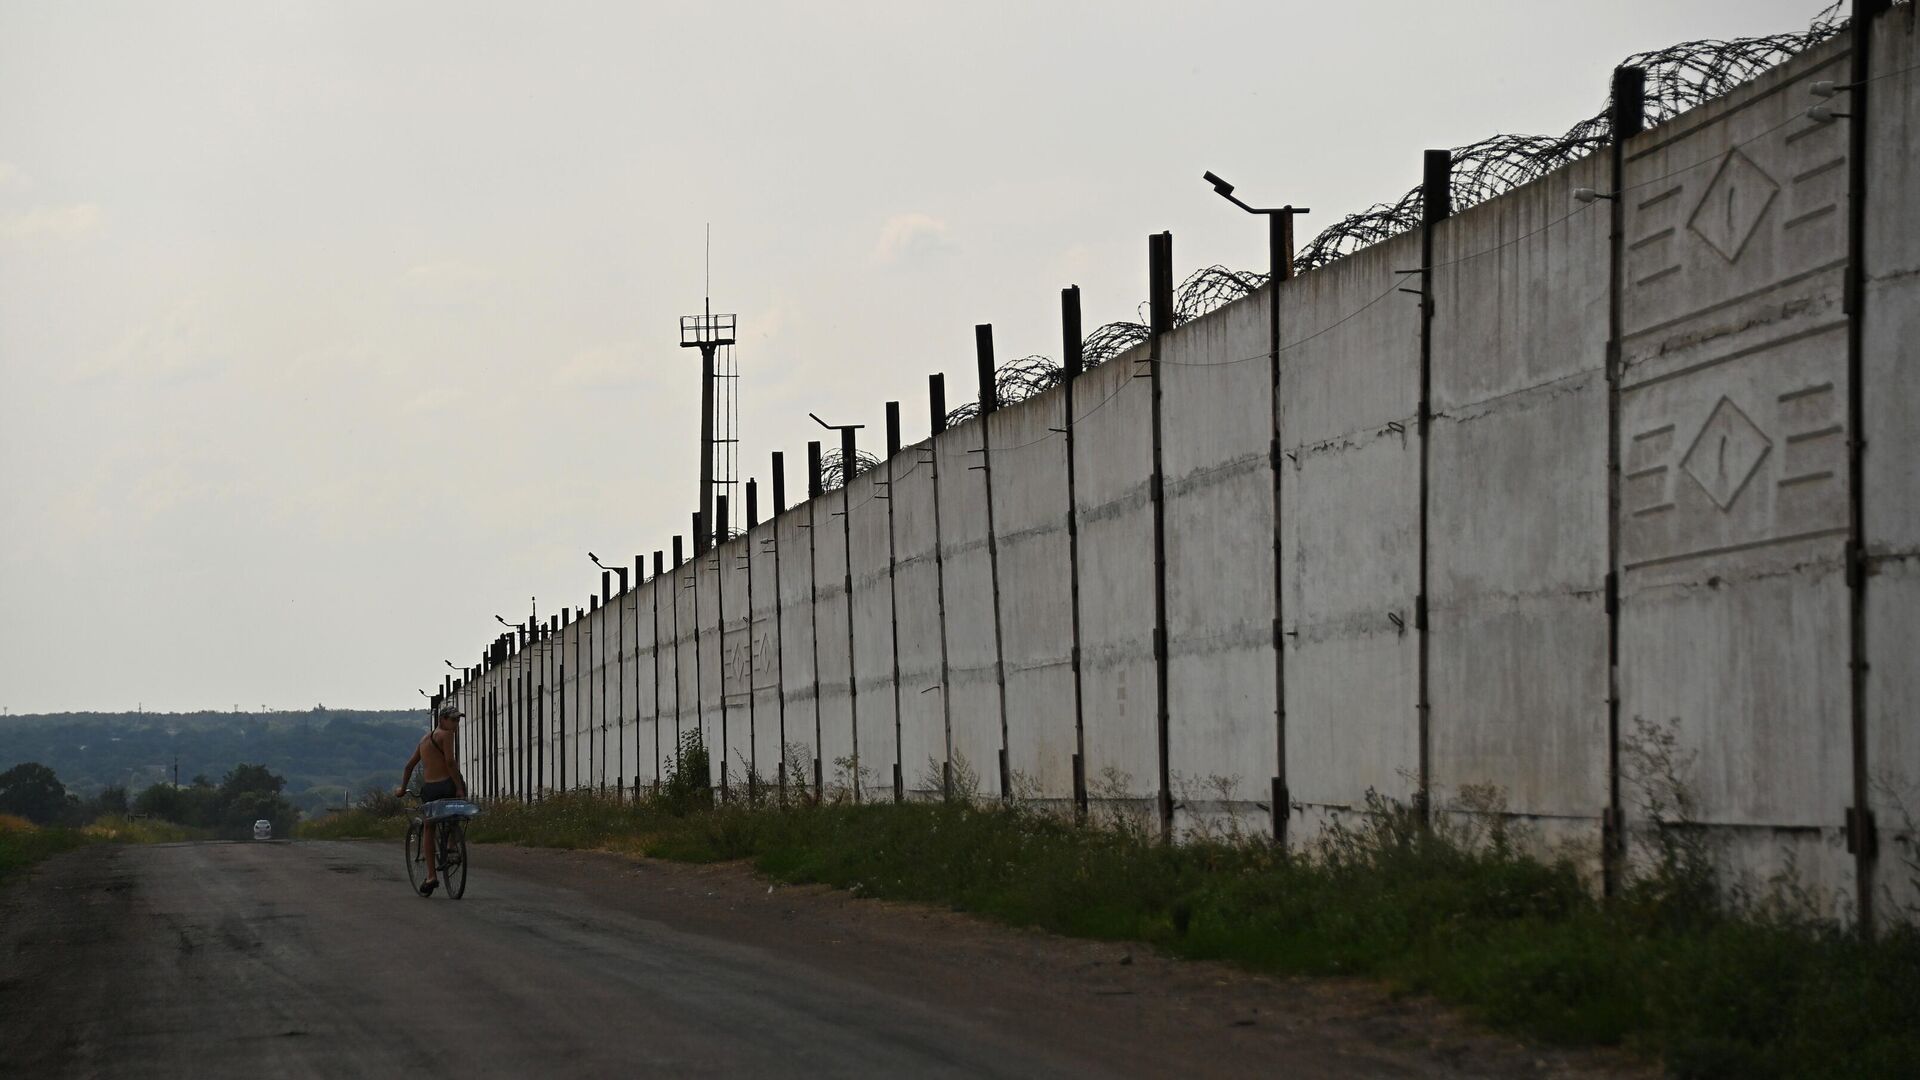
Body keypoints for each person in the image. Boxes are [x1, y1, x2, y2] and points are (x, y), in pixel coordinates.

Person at [396, 701, 468, 896]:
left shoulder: (424, 740)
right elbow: (450, 762)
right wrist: (459, 787)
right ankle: (452, 844)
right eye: (453, 720)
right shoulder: (446, 734)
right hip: (446, 784)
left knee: (429, 827)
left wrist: (402, 789)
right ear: (442, 720)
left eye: (458, 720)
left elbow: (409, 766)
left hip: (429, 788)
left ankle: (431, 876)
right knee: (458, 810)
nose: (456, 724)